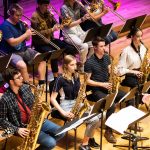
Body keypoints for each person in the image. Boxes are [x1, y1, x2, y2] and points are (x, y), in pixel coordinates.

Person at [0, 68, 65, 150]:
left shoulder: (26, 88)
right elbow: (1, 120)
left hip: (36, 120)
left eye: (21, 76)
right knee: (51, 143)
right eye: (18, 77)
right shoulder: (5, 99)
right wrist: (17, 130)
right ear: (11, 81)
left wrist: (38, 107)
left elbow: (34, 103)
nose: (22, 78)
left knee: (61, 132)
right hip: (23, 127)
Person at [84, 36, 133, 144]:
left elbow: (110, 70)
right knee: (111, 105)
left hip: (107, 87)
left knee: (130, 98)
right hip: (95, 91)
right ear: (95, 48)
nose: (104, 48)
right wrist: (102, 84)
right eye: (101, 46)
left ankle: (122, 124)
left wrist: (114, 71)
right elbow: (86, 81)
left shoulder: (106, 58)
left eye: (104, 45)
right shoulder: (89, 62)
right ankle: (108, 131)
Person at [51, 55, 101, 150]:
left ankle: (89, 137)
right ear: (65, 66)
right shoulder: (60, 79)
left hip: (76, 102)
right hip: (66, 106)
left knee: (99, 114)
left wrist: (81, 95)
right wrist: (63, 112)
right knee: (94, 119)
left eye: (75, 64)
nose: (75, 67)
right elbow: (52, 99)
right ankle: (84, 144)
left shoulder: (76, 76)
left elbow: (77, 90)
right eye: (72, 65)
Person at [31, 0, 78, 79]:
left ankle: (70, 69)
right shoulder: (35, 17)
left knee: (71, 48)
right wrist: (52, 30)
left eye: (48, 5)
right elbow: (37, 34)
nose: (47, 7)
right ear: (39, 5)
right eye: (45, 5)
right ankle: (56, 77)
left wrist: (53, 19)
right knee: (54, 53)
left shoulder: (48, 13)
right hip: (40, 42)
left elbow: (53, 25)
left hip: (50, 39)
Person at [0, 3, 46, 84]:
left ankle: (42, 83)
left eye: (21, 15)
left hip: (24, 49)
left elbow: (27, 39)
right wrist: (25, 34)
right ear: (11, 14)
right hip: (11, 53)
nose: (20, 17)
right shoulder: (4, 26)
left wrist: (27, 29)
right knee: (23, 66)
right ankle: (26, 88)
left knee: (42, 59)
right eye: (17, 15)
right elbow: (12, 43)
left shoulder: (20, 23)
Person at [60, 0, 93, 65]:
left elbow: (89, 13)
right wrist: (82, 19)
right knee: (84, 46)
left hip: (78, 30)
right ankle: (81, 66)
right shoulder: (64, 8)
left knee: (93, 41)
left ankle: (88, 62)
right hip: (69, 33)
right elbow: (69, 25)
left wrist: (85, 7)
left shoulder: (78, 4)